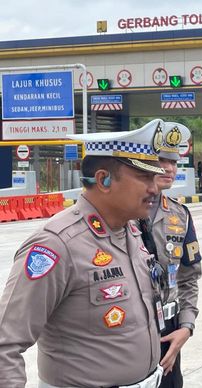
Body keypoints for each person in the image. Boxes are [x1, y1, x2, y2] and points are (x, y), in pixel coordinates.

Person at [0, 119, 168, 387]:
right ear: (103, 179)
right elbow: (5, 343)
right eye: (144, 177)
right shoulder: (57, 245)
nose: (154, 188)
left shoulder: (132, 233)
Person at [147, 122, 202, 387]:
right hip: (131, 328)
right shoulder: (120, 214)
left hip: (170, 329)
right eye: (161, 160)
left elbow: (189, 277)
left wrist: (186, 327)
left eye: (174, 161)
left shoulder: (180, 215)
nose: (169, 168)